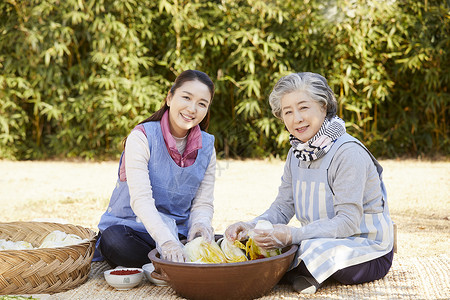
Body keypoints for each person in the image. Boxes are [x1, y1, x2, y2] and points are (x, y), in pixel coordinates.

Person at [225, 72, 394, 294]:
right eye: (288, 112)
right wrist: (252, 226)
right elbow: (283, 206)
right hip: (316, 239)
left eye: (304, 107)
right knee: (264, 244)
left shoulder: (347, 152)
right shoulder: (296, 153)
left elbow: (347, 223)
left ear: (323, 107)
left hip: (366, 248)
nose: (297, 118)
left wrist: (292, 235)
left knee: (310, 247)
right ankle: (300, 271)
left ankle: (298, 271)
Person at [94, 70, 217, 267]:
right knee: (115, 241)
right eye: (186, 97)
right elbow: (141, 200)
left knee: (217, 239)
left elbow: (202, 203)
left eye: (202, 103)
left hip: (178, 232)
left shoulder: (207, 146)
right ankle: (177, 261)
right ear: (169, 98)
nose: (192, 108)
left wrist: (200, 225)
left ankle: (167, 263)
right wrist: (166, 242)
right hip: (134, 228)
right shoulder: (141, 137)